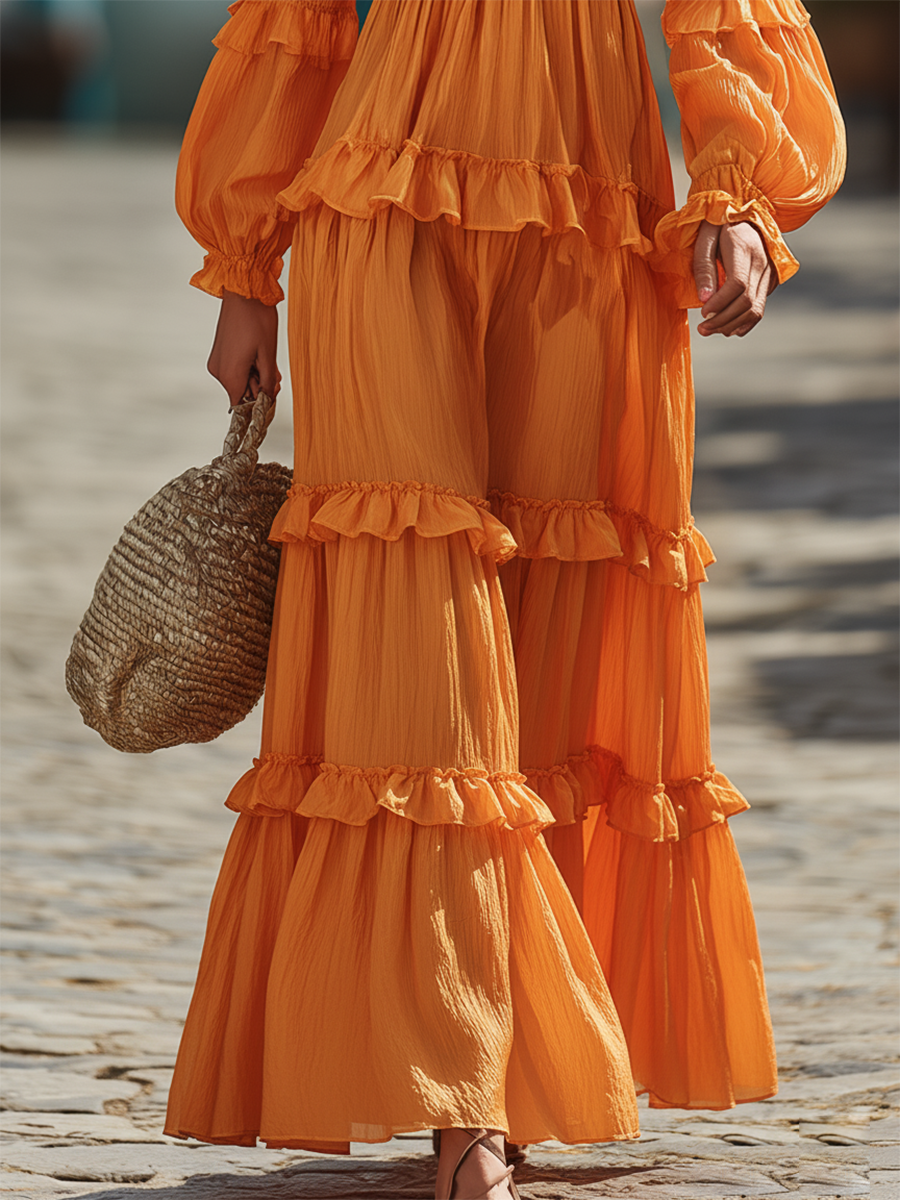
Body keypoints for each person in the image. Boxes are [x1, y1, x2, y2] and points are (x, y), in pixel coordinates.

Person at [163, 0, 845, 1196]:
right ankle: (461, 1084)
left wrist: (735, 189)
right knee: (416, 610)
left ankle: (515, 1041)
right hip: (377, 194)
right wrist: (244, 265)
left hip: (589, 209)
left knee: (546, 608)